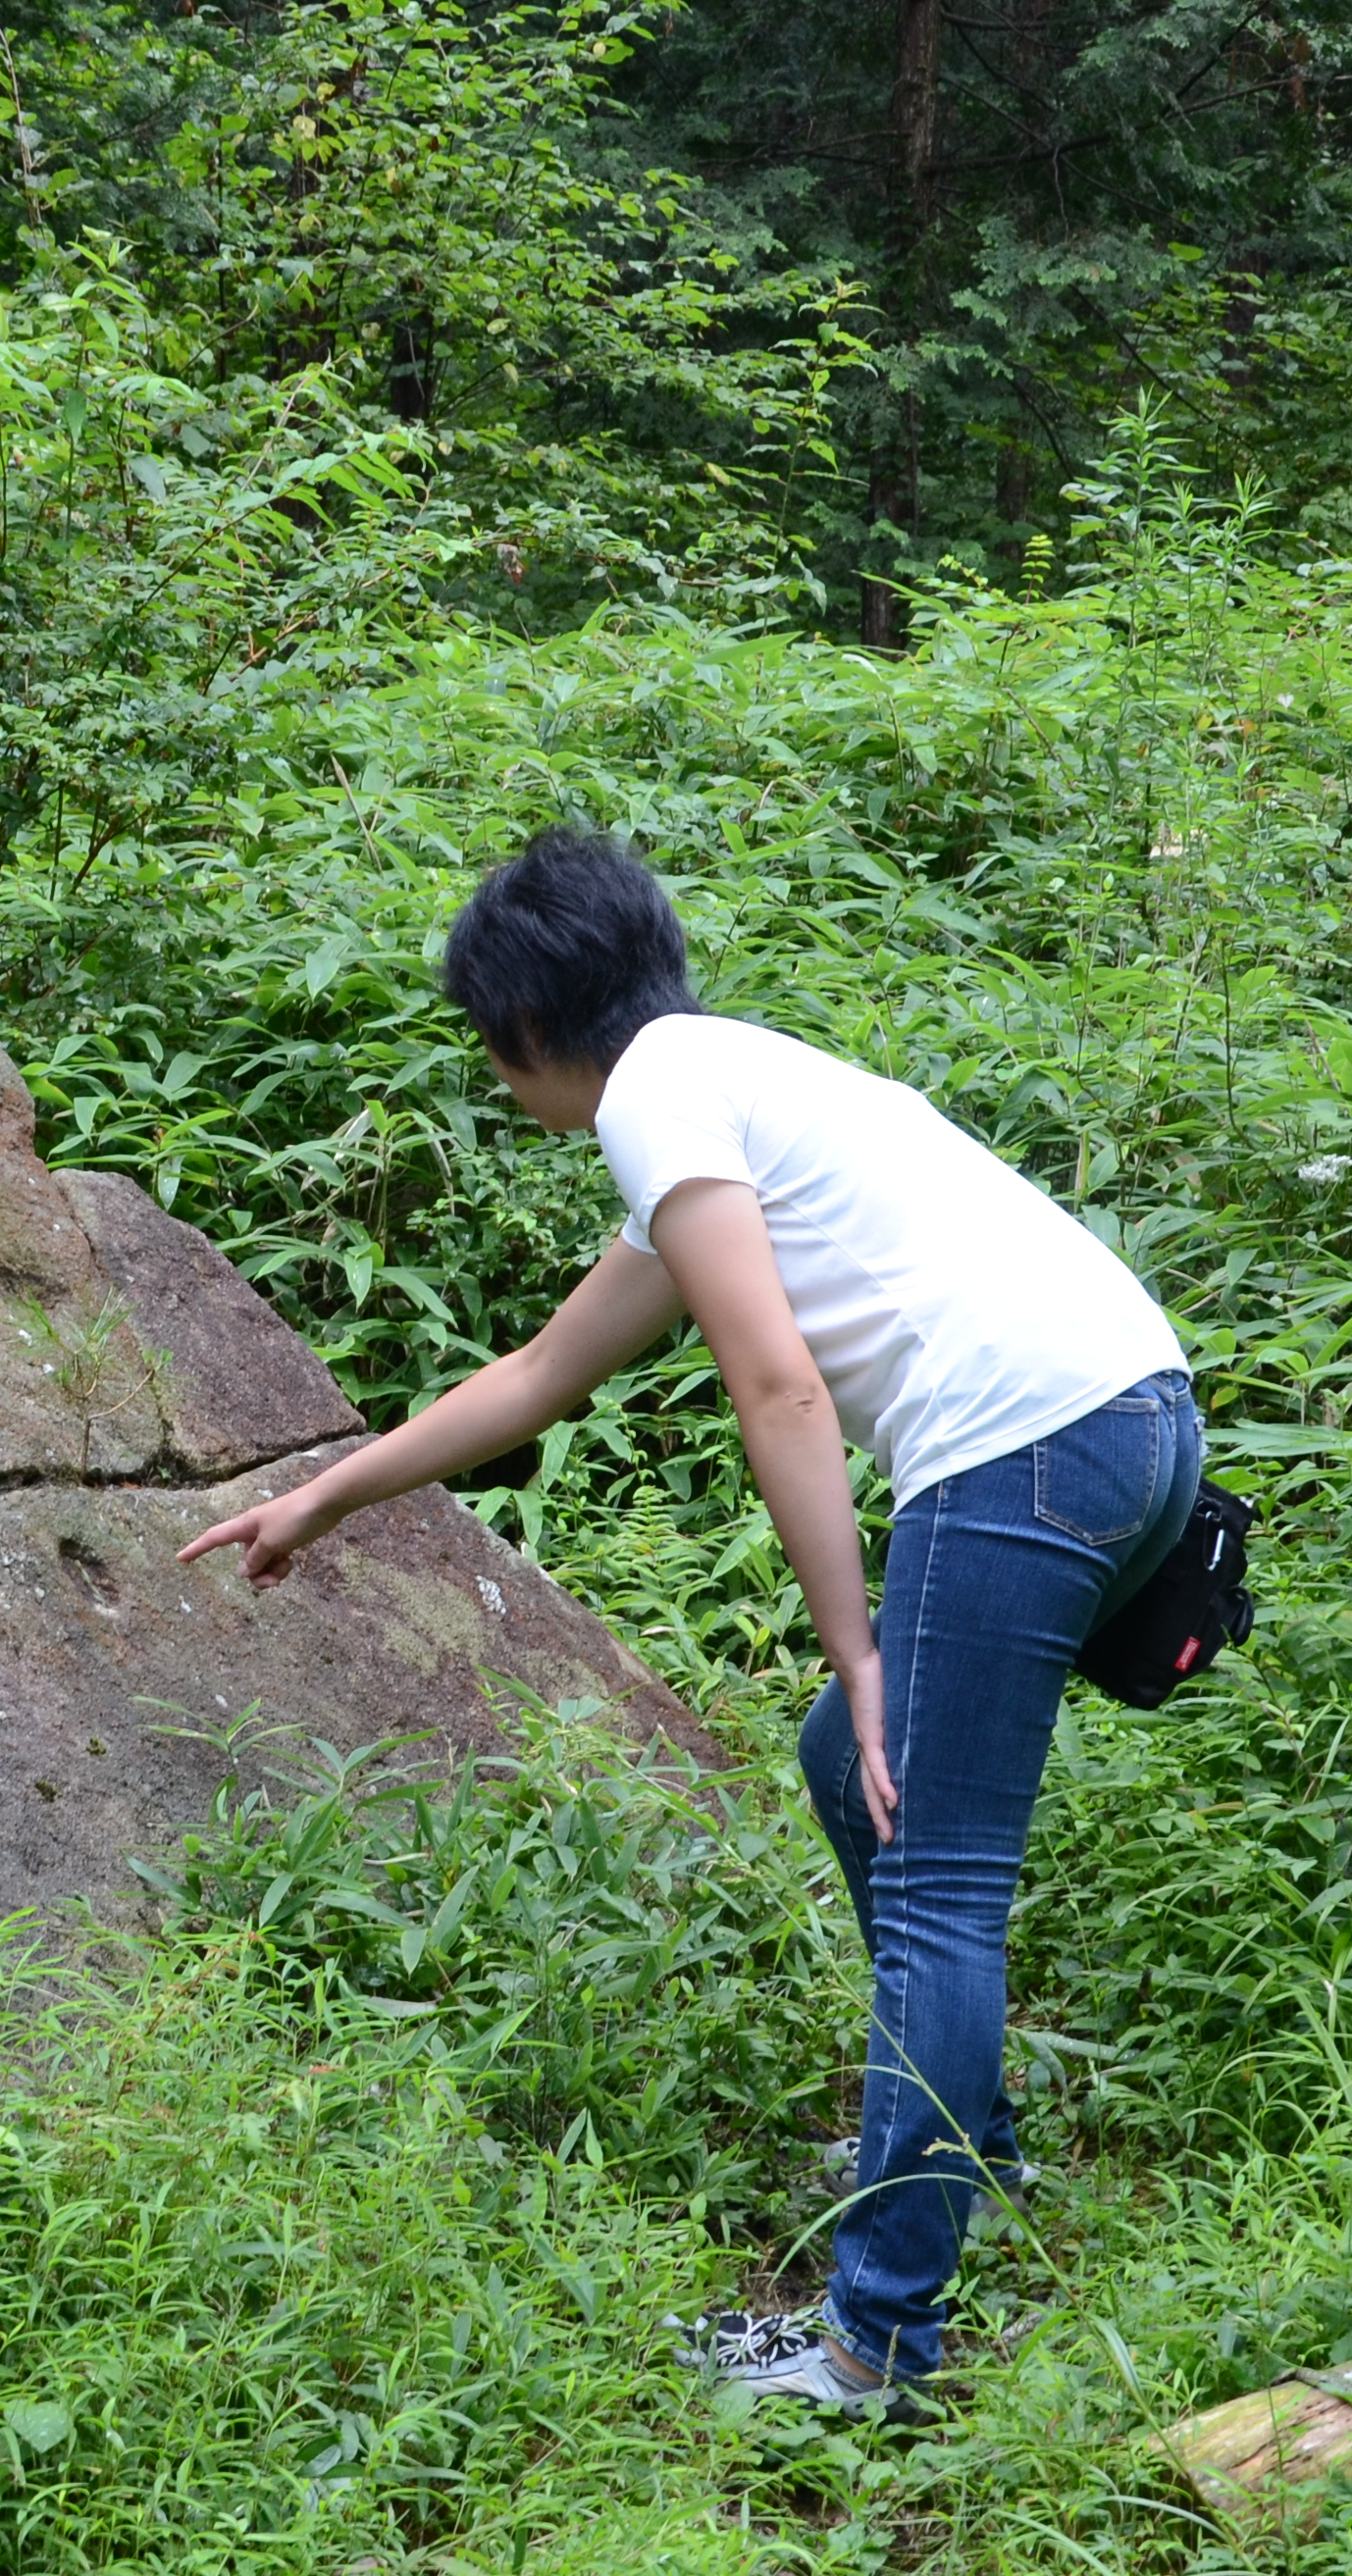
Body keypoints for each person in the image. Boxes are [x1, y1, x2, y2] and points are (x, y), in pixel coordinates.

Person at [179, 826, 1198, 2417]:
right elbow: (540, 1373)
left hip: (1025, 1447)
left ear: (527, 1031)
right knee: (841, 1767)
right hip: (1136, 1418)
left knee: (931, 1872)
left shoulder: (657, 1093)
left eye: (492, 1055)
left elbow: (776, 1381)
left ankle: (877, 2348)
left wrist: (857, 1644)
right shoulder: (725, 1089)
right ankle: (947, 2151)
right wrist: (322, 1498)